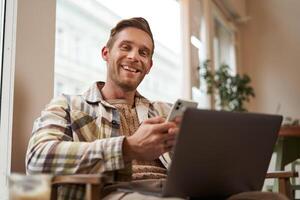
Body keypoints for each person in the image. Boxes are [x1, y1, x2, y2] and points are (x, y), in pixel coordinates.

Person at [26, 17, 287, 200]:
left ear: (149, 65)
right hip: (116, 191)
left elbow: (206, 166)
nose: (134, 57)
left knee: (268, 198)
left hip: (179, 190)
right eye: (125, 47)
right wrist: (127, 147)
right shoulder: (68, 105)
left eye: (143, 52)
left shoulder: (164, 111)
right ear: (106, 53)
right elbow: (37, 160)